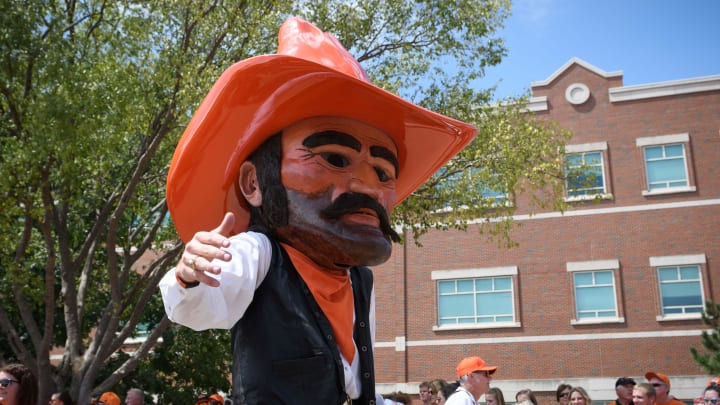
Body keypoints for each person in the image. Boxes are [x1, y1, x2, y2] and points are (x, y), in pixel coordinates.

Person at [159, 15, 476, 405]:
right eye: (334, 158)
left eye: (383, 172)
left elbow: (356, 384)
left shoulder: (360, 280)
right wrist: (190, 274)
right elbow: (197, 306)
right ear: (254, 184)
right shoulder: (258, 255)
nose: (366, 186)